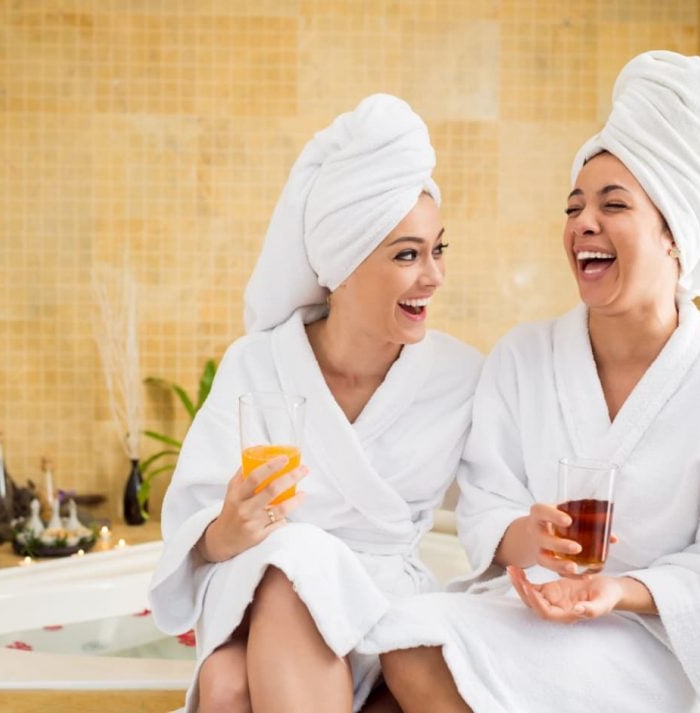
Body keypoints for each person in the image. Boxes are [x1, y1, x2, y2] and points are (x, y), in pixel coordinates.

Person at [359, 51, 700, 713]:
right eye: (574, 205)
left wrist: (622, 591)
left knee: (410, 649)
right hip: (526, 613)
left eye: (612, 204)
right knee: (385, 664)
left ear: (675, 234)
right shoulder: (523, 357)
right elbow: (482, 509)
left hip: (652, 642)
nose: (582, 223)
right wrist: (529, 537)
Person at [148, 94, 483, 713]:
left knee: (232, 684)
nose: (433, 276)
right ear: (342, 265)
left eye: (438, 249)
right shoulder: (259, 365)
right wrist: (226, 530)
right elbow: (196, 532)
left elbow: (498, 508)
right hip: (269, 594)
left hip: (385, 610)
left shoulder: (460, 377)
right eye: (407, 254)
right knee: (290, 568)